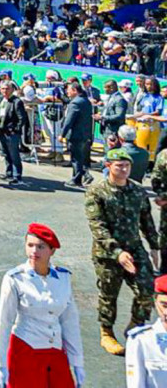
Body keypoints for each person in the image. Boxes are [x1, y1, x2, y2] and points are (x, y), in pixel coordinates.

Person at [86, 147, 159, 356]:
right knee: (109, 293)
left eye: (127, 165)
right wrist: (117, 252)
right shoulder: (97, 191)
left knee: (147, 289)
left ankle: (136, 325)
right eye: (119, 165)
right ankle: (106, 332)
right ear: (108, 166)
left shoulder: (137, 190)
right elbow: (97, 226)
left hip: (135, 249)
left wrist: (154, 246)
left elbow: (146, 220)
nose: (124, 169)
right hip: (107, 253)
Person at [0, 223, 84, 388]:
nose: (34, 251)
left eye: (41, 247)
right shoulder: (15, 278)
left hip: (55, 351)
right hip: (25, 350)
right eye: (30, 245)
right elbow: (4, 322)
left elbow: (70, 322)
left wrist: (77, 362)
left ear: (52, 251)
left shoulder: (63, 278)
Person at [126, 273, 167, 385]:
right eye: (164, 305)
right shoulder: (142, 341)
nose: (166, 312)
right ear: (155, 302)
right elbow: (136, 383)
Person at [61, 82, 96, 187]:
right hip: (85, 133)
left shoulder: (75, 103)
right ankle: (83, 175)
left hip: (76, 134)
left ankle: (77, 179)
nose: (67, 92)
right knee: (79, 157)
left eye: (68, 90)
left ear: (75, 90)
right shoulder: (86, 101)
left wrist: (62, 134)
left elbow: (69, 120)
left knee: (76, 158)